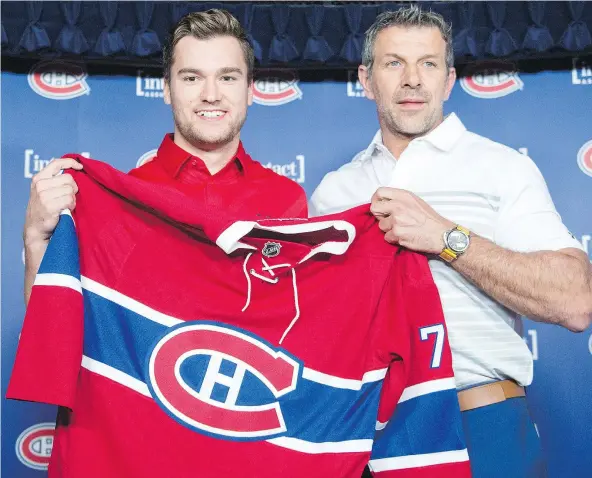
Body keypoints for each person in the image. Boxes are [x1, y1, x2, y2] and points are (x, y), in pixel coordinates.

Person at [311, 5, 592, 478]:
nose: (412, 79)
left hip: (481, 424)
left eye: (428, 63)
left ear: (449, 79)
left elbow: (576, 300)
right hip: (367, 433)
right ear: (366, 79)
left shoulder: (502, 167)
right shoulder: (334, 192)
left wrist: (445, 237)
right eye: (393, 62)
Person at [22, 9, 307, 305]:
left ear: (249, 90)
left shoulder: (288, 201)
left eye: (227, 77)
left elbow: (304, 331)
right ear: (167, 89)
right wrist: (35, 241)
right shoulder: (119, 205)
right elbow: (55, 327)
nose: (211, 94)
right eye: (192, 78)